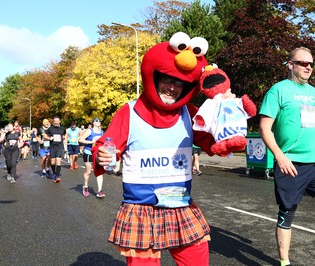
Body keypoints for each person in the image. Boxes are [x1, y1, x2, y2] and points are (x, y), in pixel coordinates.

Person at [92, 33, 224, 265]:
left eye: (179, 83)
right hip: (141, 209)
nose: (172, 88)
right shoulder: (129, 112)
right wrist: (102, 154)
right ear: (154, 78)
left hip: (180, 205)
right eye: (167, 80)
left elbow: (215, 142)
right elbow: (107, 145)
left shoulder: (190, 112)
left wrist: (228, 122)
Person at [259, 47, 315, 266]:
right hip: (290, 163)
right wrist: (279, 157)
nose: (308, 67)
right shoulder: (278, 90)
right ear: (290, 64)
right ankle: (285, 262)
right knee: (287, 214)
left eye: (311, 64)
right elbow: (265, 128)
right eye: (303, 63)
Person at [79, 118, 105, 198]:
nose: (98, 122)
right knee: (88, 172)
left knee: (99, 172)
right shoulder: (89, 131)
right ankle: (85, 186)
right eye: (97, 121)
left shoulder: (102, 131)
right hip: (88, 153)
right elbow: (81, 139)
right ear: (93, 123)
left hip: (98, 153)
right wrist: (91, 142)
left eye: (100, 121)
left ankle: (99, 191)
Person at [43, 116, 66, 183]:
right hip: (52, 147)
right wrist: (49, 138)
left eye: (57, 121)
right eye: (54, 121)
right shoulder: (50, 129)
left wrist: (64, 138)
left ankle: (57, 176)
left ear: (59, 121)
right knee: (52, 162)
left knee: (58, 161)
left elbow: (65, 135)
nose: (56, 122)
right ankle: (54, 173)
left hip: (59, 146)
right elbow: (44, 135)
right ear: (53, 122)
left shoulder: (62, 129)